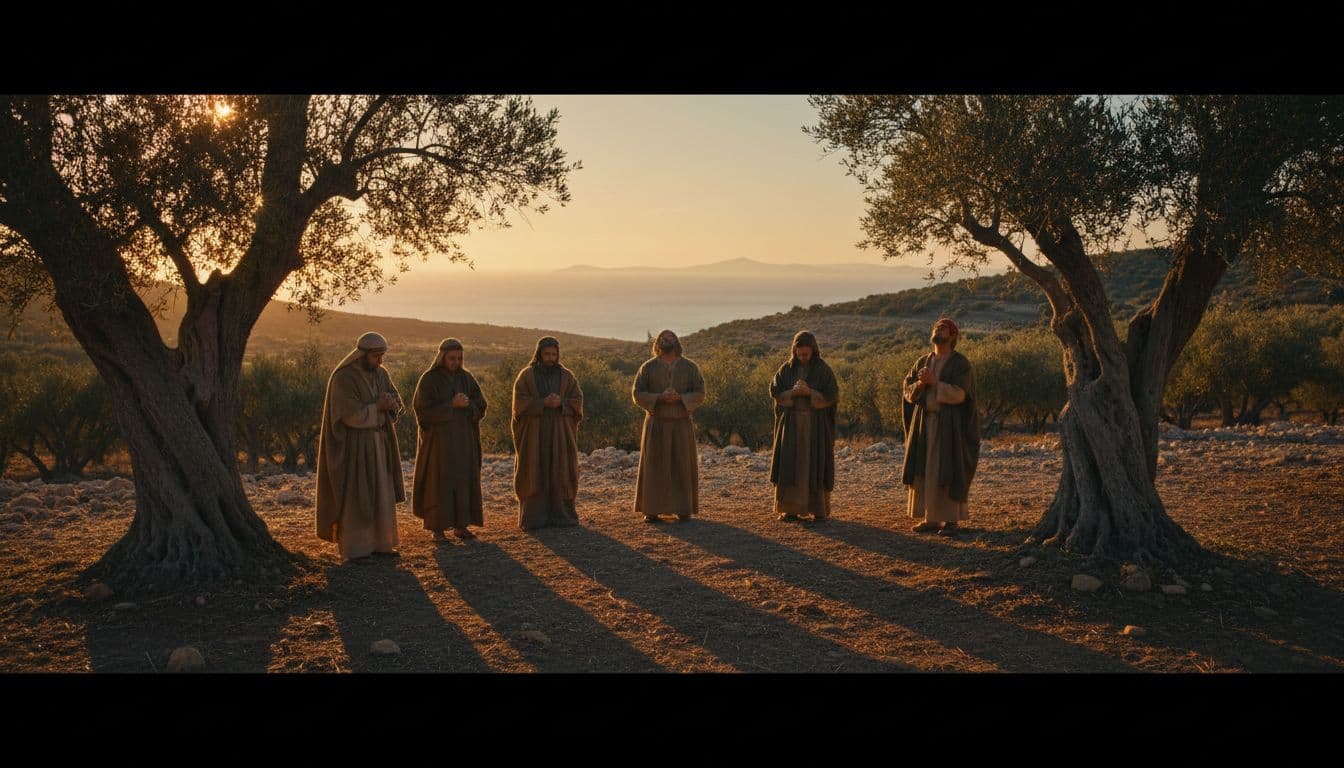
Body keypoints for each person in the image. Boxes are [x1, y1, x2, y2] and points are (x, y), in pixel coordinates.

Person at [315, 332, 406, 563]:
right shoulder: (343, 379)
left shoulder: (381, 374)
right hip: (356, 448)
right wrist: (378, 407)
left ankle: (382, 545)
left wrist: (392, 403)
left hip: (380, 444)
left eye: (382, 356)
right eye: (377, 356)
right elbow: (349, 415)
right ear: (363, 355)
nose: (380, 361)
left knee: (381, 494)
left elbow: (395, 398)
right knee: (359, 497)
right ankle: (357, 550)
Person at [901, 318, 980, 536]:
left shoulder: (960, 363)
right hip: (925, 424)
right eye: (936, 327)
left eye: (943, 328)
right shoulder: (922, 361)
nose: (938, 330)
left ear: (953, 335)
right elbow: (908, 391)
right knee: (927, 469)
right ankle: (931, 518)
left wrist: (936, 383)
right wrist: (921, 384)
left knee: (947, 468)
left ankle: (951, 519)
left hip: (949, 427)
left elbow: (961, 395)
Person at [411, 338, 487, 542]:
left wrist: (468, 405)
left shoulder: (467, 378)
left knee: (463, 481)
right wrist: (450, 405)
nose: (456, 362)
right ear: (442, 357)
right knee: (439, 484)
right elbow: (422, 411)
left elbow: (481, 405)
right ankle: (438, 529)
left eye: (460, 358)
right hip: (439, 444)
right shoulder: (429, 379)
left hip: (464, 442)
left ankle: (461, 526)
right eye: (452, 358)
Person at [632, 329, 705, 523]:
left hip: (681, 423)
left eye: (671, 337)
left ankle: (683, 508)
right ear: (657, 343)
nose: (667, 340)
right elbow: (637, 393)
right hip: (657, 423)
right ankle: (652, 510)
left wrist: (681, 398)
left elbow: (700, 392)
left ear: (677, 342)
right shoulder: (647, 367)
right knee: (655, 466)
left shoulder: (690, 367)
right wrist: (659, 398)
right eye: (663, 338)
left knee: (682, 465)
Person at [511, 337, 584, 530]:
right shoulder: (526, 376)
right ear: (539, 354)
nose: (550, 358)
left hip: (561, 433)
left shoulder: (567, 376)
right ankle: (534, 518)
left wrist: (562, 403)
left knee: (562, 469)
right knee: (534, 470)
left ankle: (563, 516)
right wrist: (542, 403)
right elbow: (518, 404)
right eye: (547, 354)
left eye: (554, 354)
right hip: (535, 435)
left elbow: (577, 400)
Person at [769, 331, 839, 523]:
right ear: (795, 351)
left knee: (814, 464)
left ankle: (818, 510)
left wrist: (810, 393)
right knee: (790, 464)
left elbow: (832, 395)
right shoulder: (786, 369)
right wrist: (792, 393)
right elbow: (775, 391)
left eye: (806, 355)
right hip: (791, 426)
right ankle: (789, 509)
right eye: (799, 354)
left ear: (813, 351)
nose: (802, 358)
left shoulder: (823, 370)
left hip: (814, 427)